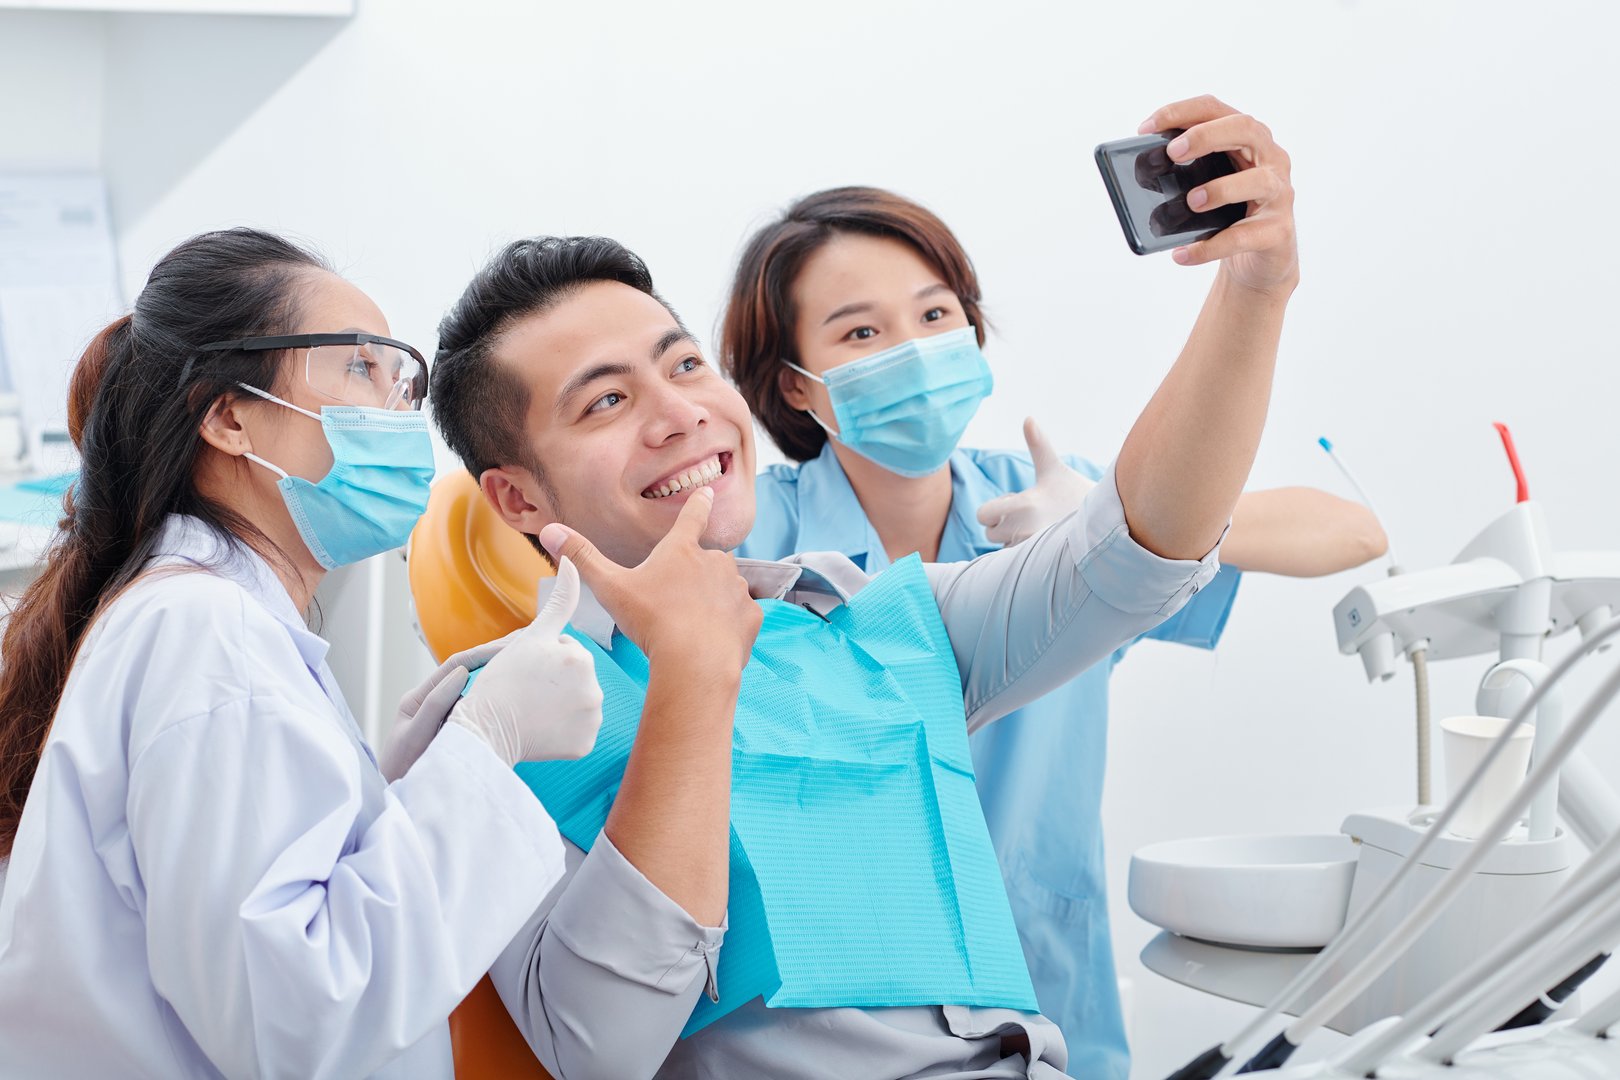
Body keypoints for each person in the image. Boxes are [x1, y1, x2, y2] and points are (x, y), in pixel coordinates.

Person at [429, 95, 1300, 1080]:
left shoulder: (866, 621)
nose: (681, 414)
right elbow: (600, 1045)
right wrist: (693, 680)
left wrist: (1254, 288)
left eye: (684, 366)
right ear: (516, 496)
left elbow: (1133, 552)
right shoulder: (492, 723)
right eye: (609, 400)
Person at [720, 185, 1387, 1075]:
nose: (913, 351)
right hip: (840, 1019)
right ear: (796, 384)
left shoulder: (1051, 496)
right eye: (862, 333)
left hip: (1048, 984)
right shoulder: (751, 539)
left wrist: (1114, 534)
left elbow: (1350, 532)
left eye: (935, 315)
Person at [0, 228, 603, 1078]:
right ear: (228, 415)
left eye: (402, 381)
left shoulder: (207, 618)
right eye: (360, 367)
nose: (398, 411)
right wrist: (489, 745)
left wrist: (395, 794)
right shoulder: (207, 633)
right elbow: (303, 1021)